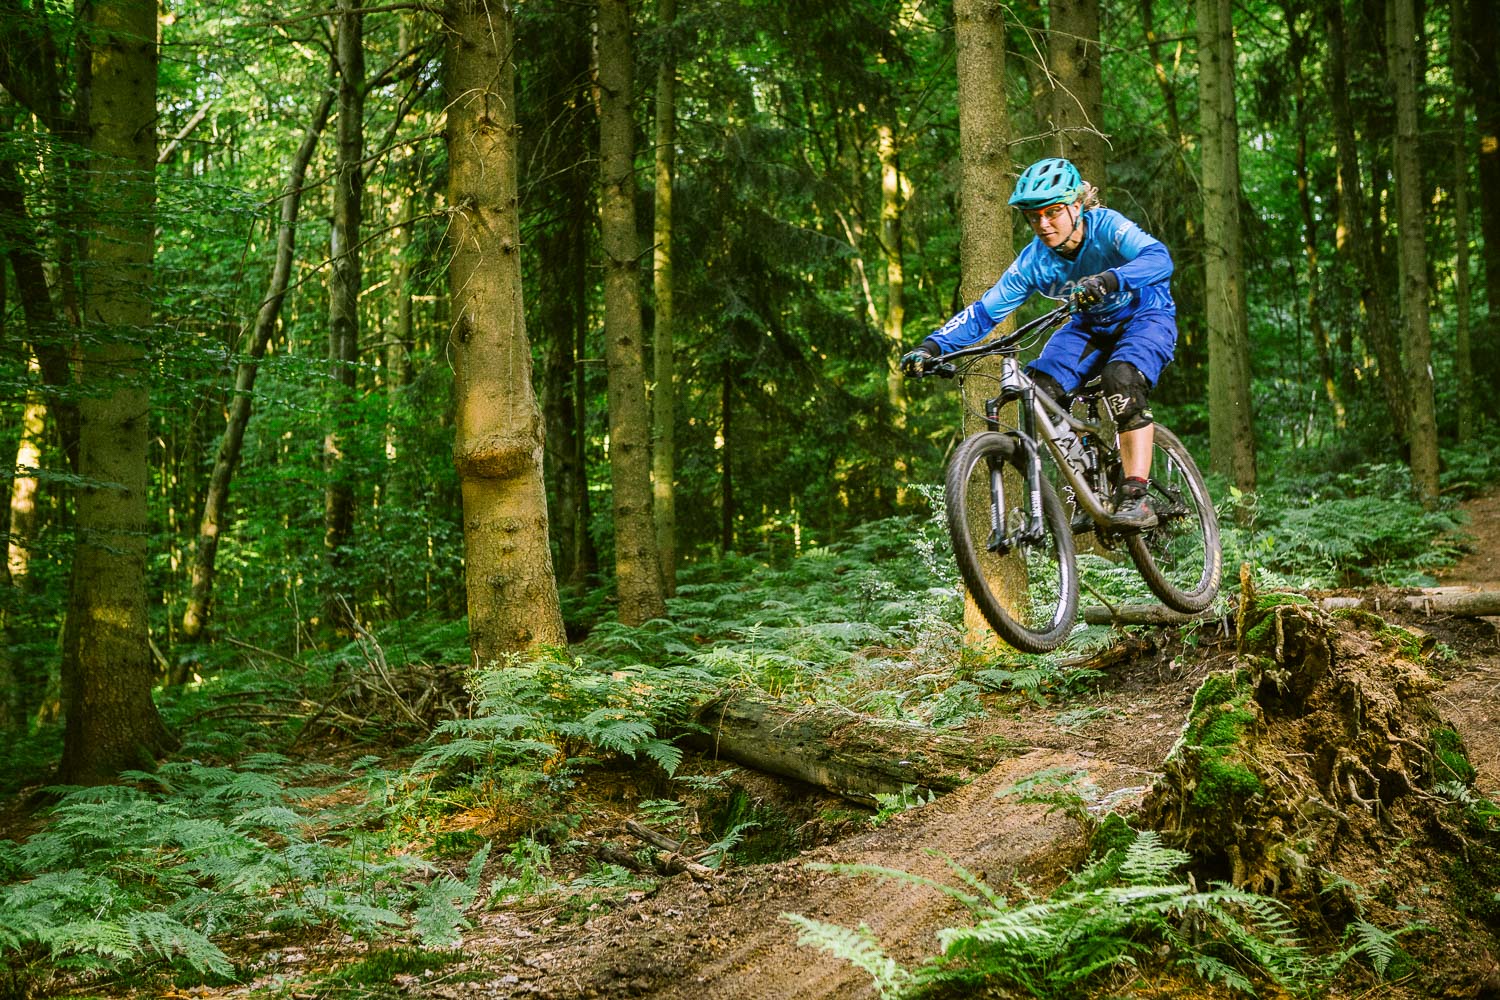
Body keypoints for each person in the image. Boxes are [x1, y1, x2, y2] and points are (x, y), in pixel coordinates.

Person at [901, 156, 1177, 530]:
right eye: (1034, 217)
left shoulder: (1108, 227)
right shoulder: (1034, 261)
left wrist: (1109, 280)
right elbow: (985, 312)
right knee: (1039, 392)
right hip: (1089, 327)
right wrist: (932, 347)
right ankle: (1087, 488)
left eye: (1053, 212)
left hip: (1146, 315)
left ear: (1077, 205)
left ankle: (1135, 495)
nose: (1043, 224)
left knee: (1121, 377)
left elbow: (1159, 258)